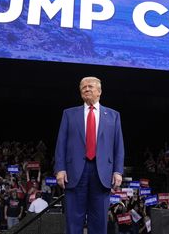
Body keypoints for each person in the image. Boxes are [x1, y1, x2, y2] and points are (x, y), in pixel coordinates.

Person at [54, 76, 125, 234]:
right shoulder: (69, 114)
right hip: (74, 173)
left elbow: (118, 146)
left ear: (99, 91)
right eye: (83, 87)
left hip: (102, 174)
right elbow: (61, 143)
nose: (86, 89)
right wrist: (60, 168)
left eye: (90, 86)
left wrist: (118, 171)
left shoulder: (113, 116)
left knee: (99, 221)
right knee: (73, 220)